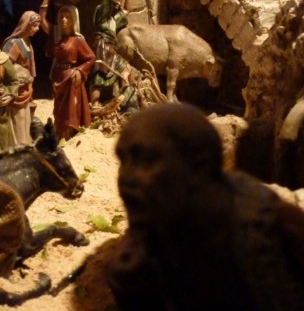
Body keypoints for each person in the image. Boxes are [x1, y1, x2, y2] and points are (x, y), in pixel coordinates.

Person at [108, 103, 304, 311]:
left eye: (146, 161)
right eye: (123, 161)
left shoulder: (262, 220)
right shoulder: (150, 238)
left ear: (199, 165)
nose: (126, 177)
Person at [49, 5, 95, 141]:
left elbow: (91, 57)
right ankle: (60, 135)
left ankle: (69, 136)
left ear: (74, 20)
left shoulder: (78, 40)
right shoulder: (59, 41)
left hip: (71, 80)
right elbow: (56, 60)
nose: (64, 20)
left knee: (70, 111)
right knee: (59, 110)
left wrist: (80, 70)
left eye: (68, 17)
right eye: (61, 17)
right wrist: (53, 78)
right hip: (59, 78)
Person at [89, 0, 133, 107]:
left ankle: (125, 101)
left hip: (111, 48)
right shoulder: (102, 12)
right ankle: (95, 104)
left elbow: (128, 9)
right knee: (100, 75)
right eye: (117, 1)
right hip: (102, 46)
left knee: (126, 69)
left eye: (120, 1)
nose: (119, 3)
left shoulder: (114, 19)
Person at [2, 11, 41, 145]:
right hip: (16, 88)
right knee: (17, 117)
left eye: (38, 25)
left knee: (26, 116)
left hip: (25, 87)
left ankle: (25, 141)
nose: (37, 29)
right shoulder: (13, 43)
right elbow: (6, 66)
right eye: (34, 25)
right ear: (26, 25)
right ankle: (17, 143)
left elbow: (30, 66)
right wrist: (20, 75)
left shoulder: (27, 43)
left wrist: (30, 80)